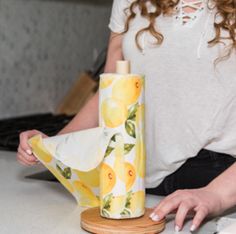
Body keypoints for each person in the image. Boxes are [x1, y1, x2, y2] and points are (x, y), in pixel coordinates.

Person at [17, 0, 236, 232]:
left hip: (221, 180)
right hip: (134, 175)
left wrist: (216, 195)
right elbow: (111, 89)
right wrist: (54, 147)